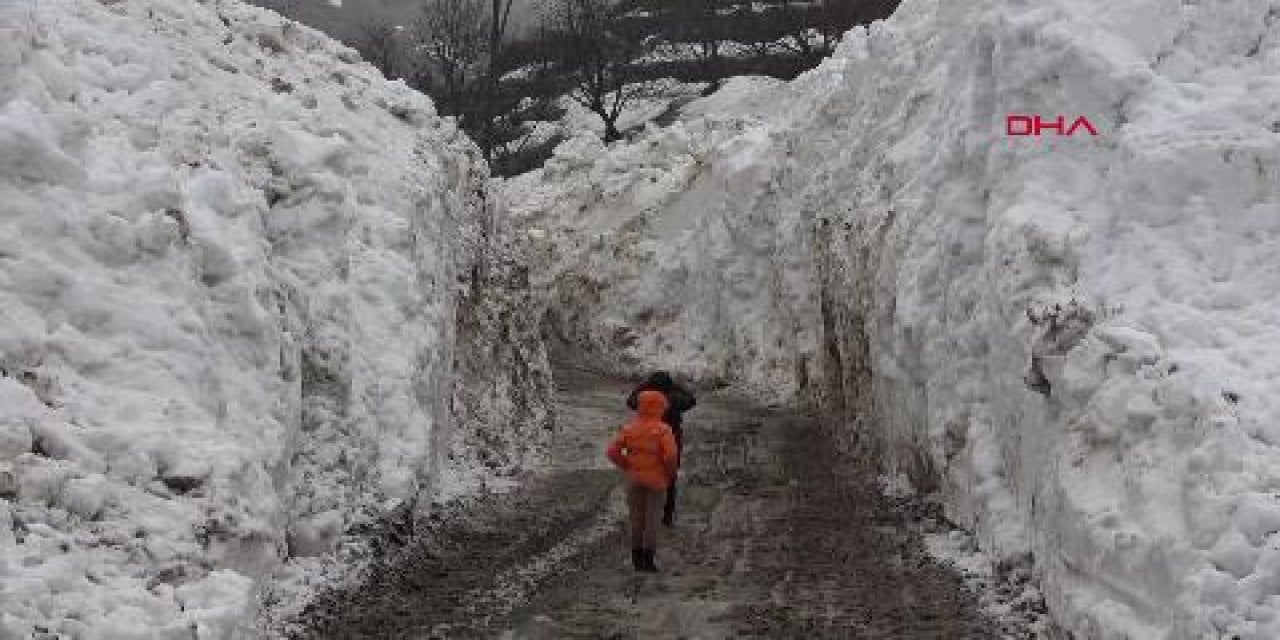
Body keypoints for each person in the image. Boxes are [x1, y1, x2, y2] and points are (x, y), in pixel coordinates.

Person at [606, 390, 679, 572]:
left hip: (634, 478)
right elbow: (670, 455)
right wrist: (670, 474)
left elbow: (612, 451)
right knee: (652, 520)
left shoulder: (629, 428)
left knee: (636, 519)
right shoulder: (663, 430)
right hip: (656, 481)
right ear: (660, 407)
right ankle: (648, 560)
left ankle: (636, 559)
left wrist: (627, 466)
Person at [625, 371, 696, 526]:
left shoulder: (645, 400)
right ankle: (667, 517)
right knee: (670, 479)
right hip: (672, 441)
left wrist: (645, 384)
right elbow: (691, 400)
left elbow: (630, 401)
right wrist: (677, 386)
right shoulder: (675, 399)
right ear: (669, 387)